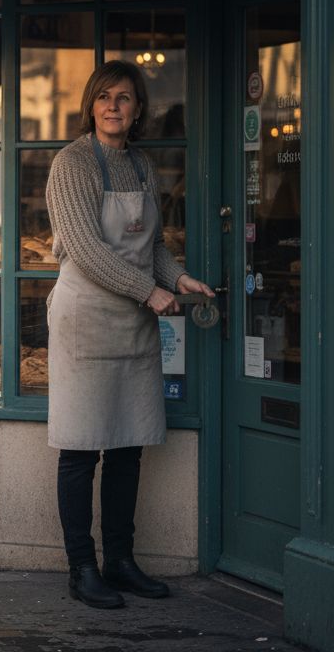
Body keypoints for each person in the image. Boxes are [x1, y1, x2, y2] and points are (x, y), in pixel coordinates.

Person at [44, 60, 214, 609]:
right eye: (104, 97)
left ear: (139, 109)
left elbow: (154, 246)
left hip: (134, 321)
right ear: (91, 106)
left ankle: (120, 560)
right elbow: (88, 249)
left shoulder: (142, 166)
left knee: (126, 448)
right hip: (86, 319)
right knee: (80, 449)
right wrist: (148, 293)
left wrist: (178, 278)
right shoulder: (71, 164)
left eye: (125, 97)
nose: (114, 106)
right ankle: (81, 567)